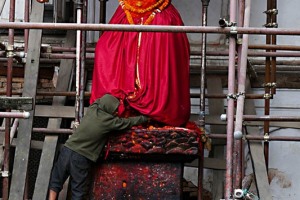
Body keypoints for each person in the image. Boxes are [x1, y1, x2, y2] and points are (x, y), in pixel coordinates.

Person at [90, 0, 191, 127]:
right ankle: (131, 103)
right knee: (105, 48)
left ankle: (150, 108)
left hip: (158, 16)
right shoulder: (126, 12)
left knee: (160, 58)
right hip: (130, 13)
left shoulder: (165, 16)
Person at [48, 94, 148, 199]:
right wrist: (146, 117)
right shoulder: (109, 122)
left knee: (56, 181)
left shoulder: (92, 109)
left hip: (67, 149)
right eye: (115, 109)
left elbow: (97, 101)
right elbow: (129, 122)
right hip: (81, 157)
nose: (116, 112)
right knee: (78, 191)